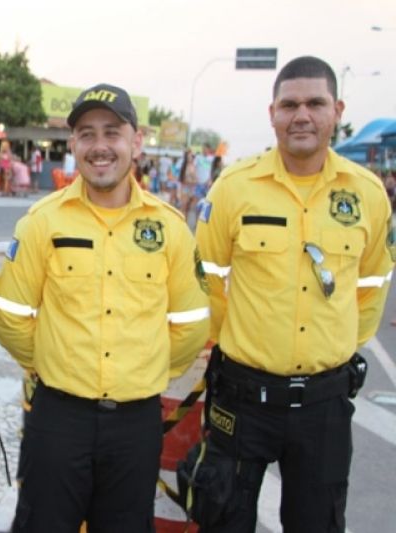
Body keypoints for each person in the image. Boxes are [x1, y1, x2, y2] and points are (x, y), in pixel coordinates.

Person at [0, 83, 210, 532]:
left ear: (137, 141)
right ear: (73, 144)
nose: (99, 146)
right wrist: (54, 364)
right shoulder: (42, 222)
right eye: (87, 134)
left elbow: (191, 324)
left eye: (112, 132)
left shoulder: (169, 229)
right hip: (58, 420)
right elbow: (10, 317)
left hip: (135, 425)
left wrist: (143, 370)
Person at [195, 56, 395, 532]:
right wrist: (236, 340)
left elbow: (373, 282)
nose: (301, 115)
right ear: (272, 114)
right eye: (289, 105)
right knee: (222, 519)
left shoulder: (367, 194)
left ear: (337, 111)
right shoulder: (234, 188)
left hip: (324, 404)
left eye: (315, 103)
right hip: (242, 397)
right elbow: (204, 278)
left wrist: (337, 344)